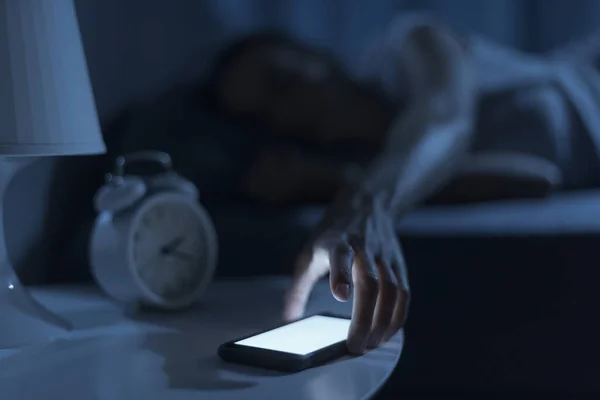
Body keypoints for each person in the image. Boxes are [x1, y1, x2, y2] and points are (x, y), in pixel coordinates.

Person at [206, 14, 600, 355]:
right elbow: (533, 177)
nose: (286, 111)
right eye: (265, 117)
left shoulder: (407, 45)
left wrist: (364, 204)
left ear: (318, 56)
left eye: (282, 82)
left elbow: (444, 121)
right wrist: (330, 179)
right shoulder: (367, 164)